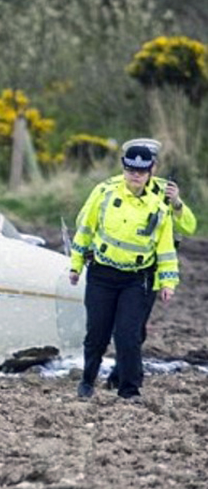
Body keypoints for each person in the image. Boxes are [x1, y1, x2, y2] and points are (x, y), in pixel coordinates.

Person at [69, 141, 179, 400]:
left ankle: (129, 390)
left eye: (141, 171)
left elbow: (165, 248)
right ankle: (87, 380)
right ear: (123, 169)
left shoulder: (159, 206)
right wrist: (75, 265)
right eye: (131, 170)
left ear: (150, 172)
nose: (135, 176)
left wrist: (168, 281)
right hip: (102, 274)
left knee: (128, 335)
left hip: (136, 279)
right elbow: (85, 230)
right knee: (97, 333)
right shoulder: (104, 193)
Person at [121, 138, 197, 237]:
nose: (141, 170)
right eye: (134, 167)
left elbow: (189, 228)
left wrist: (176, 204)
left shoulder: (165, 190)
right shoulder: (112, 187)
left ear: (155, 166)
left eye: (150, 164)